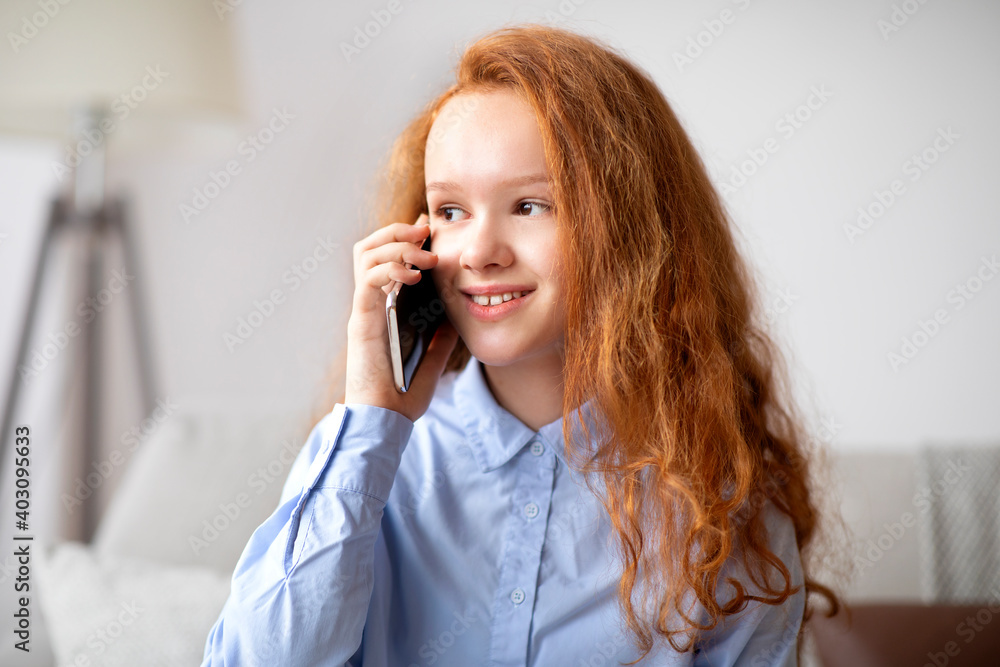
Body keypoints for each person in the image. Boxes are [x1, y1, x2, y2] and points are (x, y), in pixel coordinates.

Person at [201, 23, 841, 666]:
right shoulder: (366, 460)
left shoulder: (722, 499)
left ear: (631, 229)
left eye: (530, 205)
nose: (479, 252)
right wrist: (371, 423)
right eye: (451, 211)